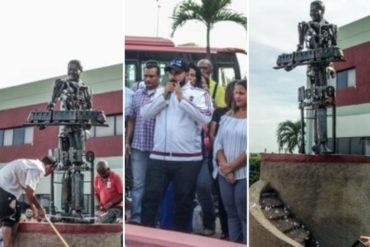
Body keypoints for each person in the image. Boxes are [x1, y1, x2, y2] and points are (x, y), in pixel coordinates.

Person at [140, 58, 214, 232]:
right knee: (150, 199)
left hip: (187, 160)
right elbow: (145, 113)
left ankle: (180, 239)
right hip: (158, 157)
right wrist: (164, 95)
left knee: (184, 202)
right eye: (171, 72)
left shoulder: (199, 94)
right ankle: (144, 237)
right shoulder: (160, 92)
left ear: (187, 75)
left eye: (178, 72)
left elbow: (205, 117)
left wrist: (182, 98)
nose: (174, 76)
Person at [125, 61, 162, 224]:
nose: (148, 79)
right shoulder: (137, 95)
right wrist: (127, 141)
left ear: (159, 77)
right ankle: (136, 217)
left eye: (151, 76)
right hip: (139, 146)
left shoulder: (163, 94)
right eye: (146, 76)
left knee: (155, 186)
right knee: (138, 184)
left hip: (157, 148)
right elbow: (132, 119)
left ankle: (152, 217)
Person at [213, 80, 247, 243]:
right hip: (224, 174)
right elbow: (217, 143)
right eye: (236, 93)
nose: (238, 96)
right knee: (230, 214)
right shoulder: (226, 117)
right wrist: (225, 167)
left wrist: (231, 167)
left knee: (243, 214)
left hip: (242, 175)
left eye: (242, 93)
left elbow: (248, 150)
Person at [0, 156, 57, 247]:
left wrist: (33, 208)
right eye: (52, 171)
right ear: (49, 166)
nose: (50, 173)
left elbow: (27, 191)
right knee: (8, 220)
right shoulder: (39, 169)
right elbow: (30, 191)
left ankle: (11, 245)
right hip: (5, 187)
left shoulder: (32, 165)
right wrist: (39, 208)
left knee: (16, 217)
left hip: (10, 189)